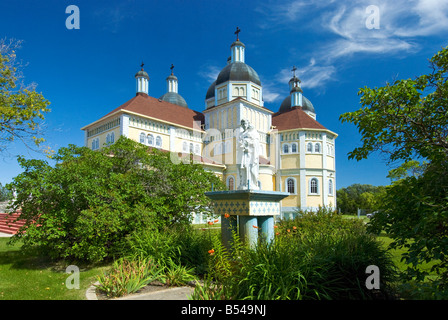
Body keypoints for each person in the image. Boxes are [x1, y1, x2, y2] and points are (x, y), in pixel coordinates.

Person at [237, 119, 260, 190]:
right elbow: (238, 143)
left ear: (248, 124)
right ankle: (242, 183)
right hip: (242, 154)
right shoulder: (241, 134)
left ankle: (250, 183)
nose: (244, 125)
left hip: (250, 155)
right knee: (242, 168)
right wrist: (242, 144)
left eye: (245, 124)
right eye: (242, 124)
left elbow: (256, 142)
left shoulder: (252, 132)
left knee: (248, 167)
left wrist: (248, 144)